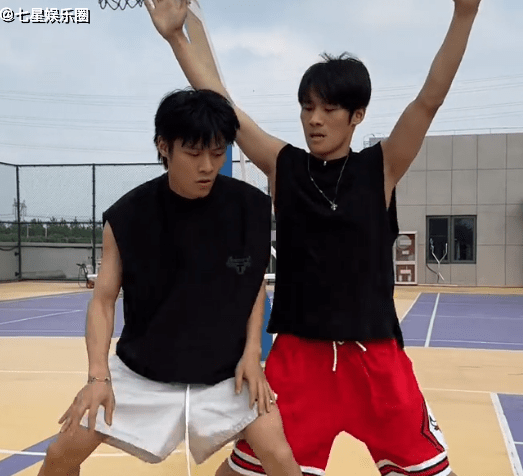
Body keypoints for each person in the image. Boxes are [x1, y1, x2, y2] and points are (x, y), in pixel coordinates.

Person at [145, 0, 482, 475]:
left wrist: (464, 15)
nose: (314, 119)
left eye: (328, 109)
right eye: (306, 108)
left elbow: (429, 99)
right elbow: (222, 102)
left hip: (374, 361)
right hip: (300, 360)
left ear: (357, 115)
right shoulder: (284, 166)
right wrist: (175, 37)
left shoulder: (381, 168)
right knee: (240, 472)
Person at [37, 88, 303, 476]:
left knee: (279, 456)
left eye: (218, 153)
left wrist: (251, 354)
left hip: (226, 376)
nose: (207, 166)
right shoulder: (128, 216)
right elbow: (103, 301)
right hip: (141, 373)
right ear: (164, 146)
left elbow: (254, 286)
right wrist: (97, 376)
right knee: (61, 454)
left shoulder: (251, 208)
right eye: (194, 154)